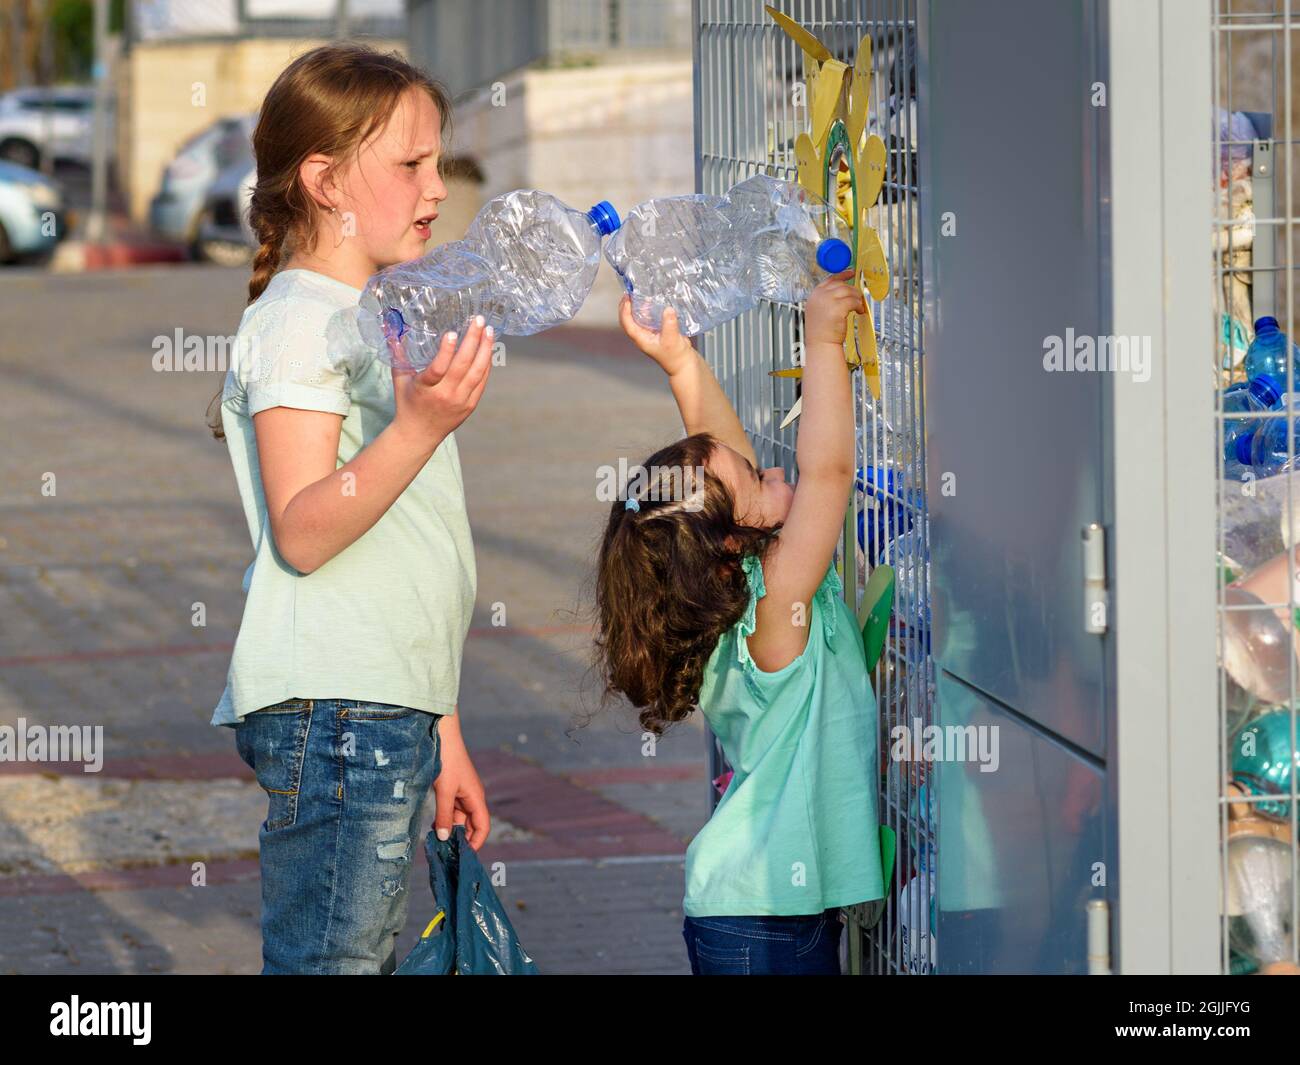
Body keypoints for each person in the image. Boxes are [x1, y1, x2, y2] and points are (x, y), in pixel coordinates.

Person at [207, 43, 492, 975]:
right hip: (338, 714)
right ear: (325, 181)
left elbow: (406, 556)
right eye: (410, 164)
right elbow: (303, 528)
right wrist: (418, 427)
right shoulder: (300, 318)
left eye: (436, 162)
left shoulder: (367, 313)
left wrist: (441, 726)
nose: (436, 189)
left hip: (380, 706)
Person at [591, 275, 885, 974]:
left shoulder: (730, 599)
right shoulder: (777, 603)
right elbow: (830, 473)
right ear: (732, 543)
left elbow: (721, 461)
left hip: (752, 914)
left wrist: (682, 364)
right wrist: (821, 340)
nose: (777, 469)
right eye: (761, 479)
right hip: (768, 922)